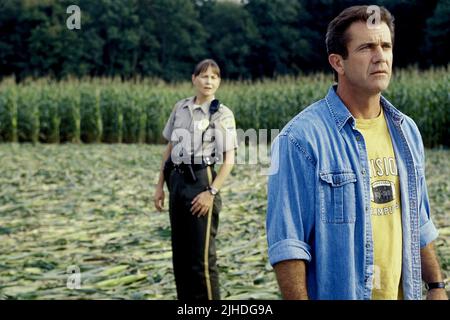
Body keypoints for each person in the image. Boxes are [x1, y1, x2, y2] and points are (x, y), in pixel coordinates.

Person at [266, 5, 448, 300]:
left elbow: (418, 219)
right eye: (366, 47)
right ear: (338, 62)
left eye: (386, 46)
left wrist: (437, 285)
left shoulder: (407, 131)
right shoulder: (300, 139)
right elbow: (289, 243)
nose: (380, 56)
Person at [153, 59, 237, 300]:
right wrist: (160, 186)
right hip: (176, 181)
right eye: (203, 76)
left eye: (214, 77)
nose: (208, 81)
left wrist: (211, 193)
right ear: (193, 79)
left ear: (219, 82)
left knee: (201, 260)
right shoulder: (180, 107)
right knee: (180, 256)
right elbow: (168, 149)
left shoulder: (222, 114)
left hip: (202, 181)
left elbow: (228, 159)